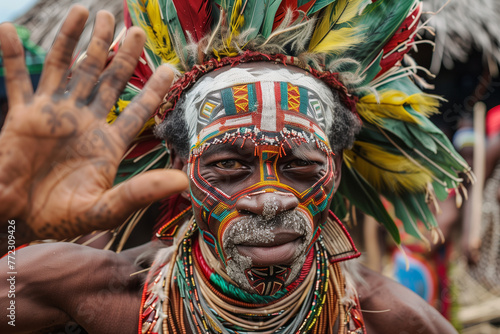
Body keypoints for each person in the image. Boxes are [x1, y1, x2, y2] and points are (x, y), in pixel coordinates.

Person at [0, 1, 469, 333]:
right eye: (229, 164)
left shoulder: (390, 319)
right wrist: (12, 223)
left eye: (300, 165)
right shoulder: (95, 291)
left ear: (337, 169)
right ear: (181, 168)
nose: (269, 199)